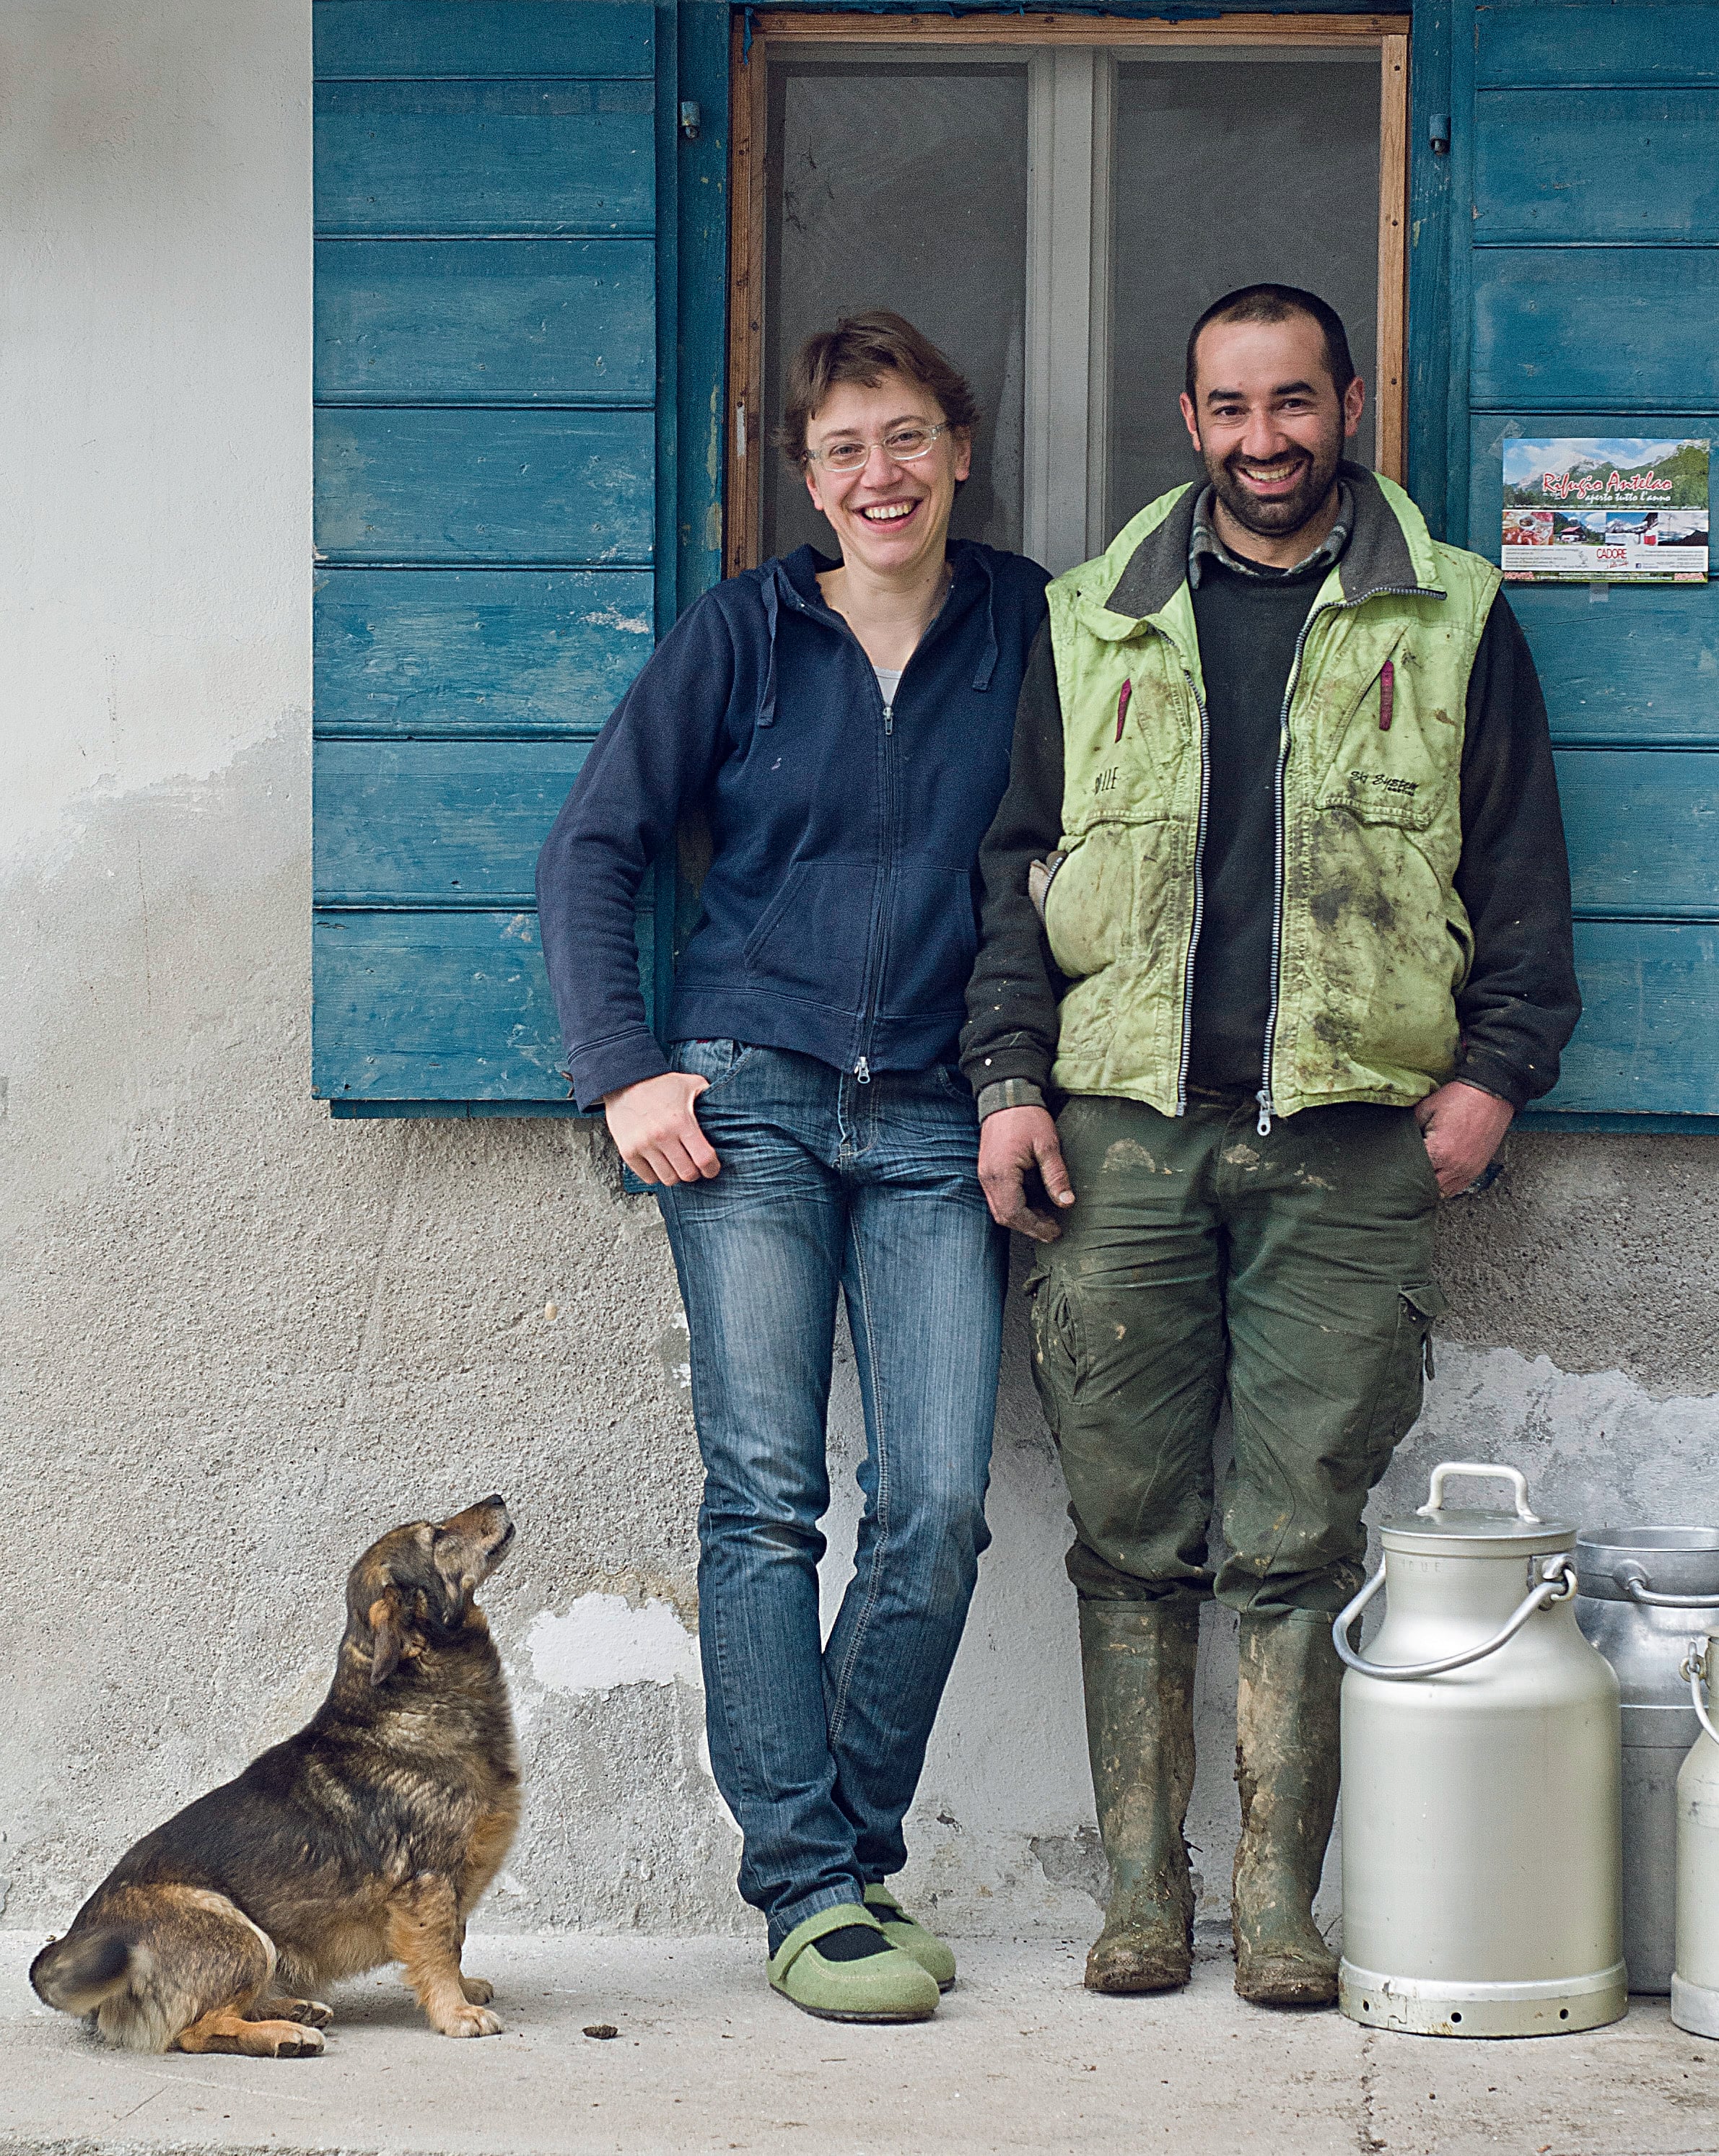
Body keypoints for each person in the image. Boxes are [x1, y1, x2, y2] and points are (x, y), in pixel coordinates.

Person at [961, 284, 1580, 2009]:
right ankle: (1141, 1897)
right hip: (1124, 1134)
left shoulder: (1453, 615)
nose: (1264, 439)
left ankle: (1278, 1906)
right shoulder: (1093, 618)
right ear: (1189, 420)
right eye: (1230, 408)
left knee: (1301, 1533)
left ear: (1349, 403)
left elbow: (1522, 872)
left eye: (1294, 402)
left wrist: (1496, 1076)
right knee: (1129, 1531)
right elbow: (1012, 868)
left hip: (1354, 1138)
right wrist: (1009, 1076)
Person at [536, 313, 1050, 2024]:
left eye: (905, 437)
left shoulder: (1031, 626)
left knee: (938, 1504)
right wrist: (623, 1069)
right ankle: (817, 1891)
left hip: (938, 1112)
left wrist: (1021, 1078)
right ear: (808, 479)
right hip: (746, 1098)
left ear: (958, 449)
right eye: (843, 449)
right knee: (764, 1496)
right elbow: (594, 846)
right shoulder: (744, 631)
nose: (878, 473)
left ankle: (839, 1855)